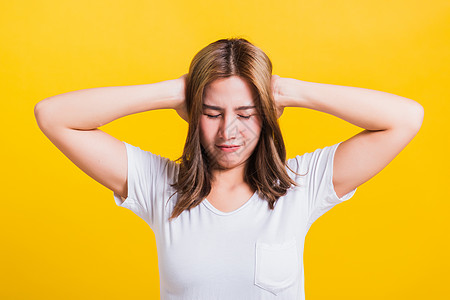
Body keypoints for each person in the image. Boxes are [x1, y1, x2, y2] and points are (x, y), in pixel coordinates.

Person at [34, 37, 424, 299]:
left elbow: (405, 118)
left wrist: (287, 91)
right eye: (211, 112)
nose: (229, 131)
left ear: (267, 114)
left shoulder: (301, 185)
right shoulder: (159, 186)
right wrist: (175, 91)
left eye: (247, 112)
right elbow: (52, 115)